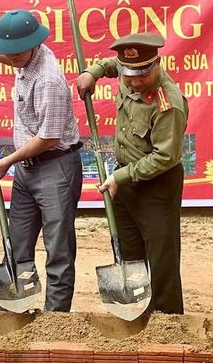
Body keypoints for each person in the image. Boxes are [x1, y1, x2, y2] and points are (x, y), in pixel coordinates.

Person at [0, 10, 82, 312]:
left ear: (34, 44)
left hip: (56, 167)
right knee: (16, 245)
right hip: (27, 170)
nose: (12, 57)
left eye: (17, 52)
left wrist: (9, 160)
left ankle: (55, 321)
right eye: (8, 52)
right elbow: (11, 54)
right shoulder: (26, 56)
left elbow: (49, 137)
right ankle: (13, 312)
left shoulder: (49, 81)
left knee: (58, 250)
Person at [76, 32, 188, 314]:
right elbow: (112, 64)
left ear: (156, 65)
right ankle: (137, 313)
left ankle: (167, 322)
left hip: (157, 184)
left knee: (161, 258)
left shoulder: (168, 102)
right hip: (124, 178)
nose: (135, 82)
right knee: (129, 252)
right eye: (129, 75)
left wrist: (119, 178)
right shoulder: (127, 72)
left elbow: (164, 157)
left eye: (142, 75)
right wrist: (93, 72)